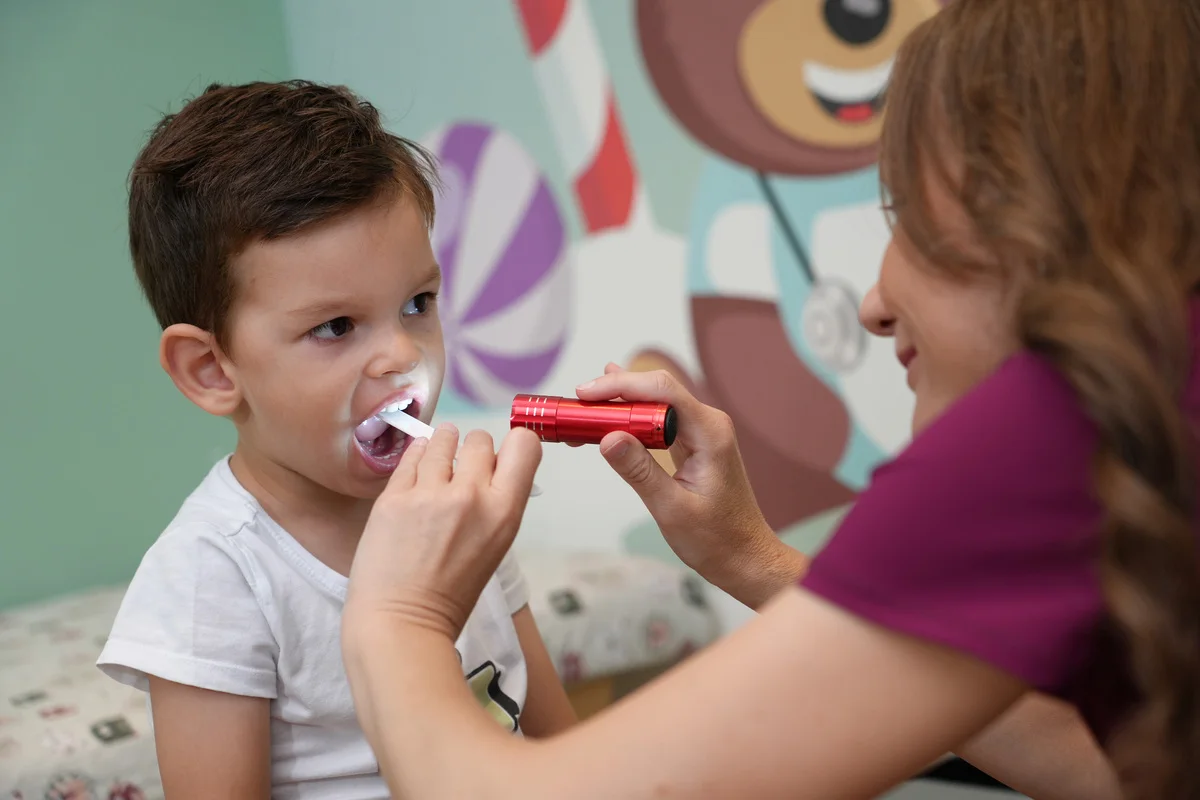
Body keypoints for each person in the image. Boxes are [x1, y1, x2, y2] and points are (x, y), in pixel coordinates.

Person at [337, 1, 1200, 798]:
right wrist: (750, 554)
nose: (873, 303)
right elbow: (1110, 766)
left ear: (1029, 215)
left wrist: (396, 615)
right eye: (334, 325)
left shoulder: (1039, 435)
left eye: (901, 219)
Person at [94, 81, 577, 799]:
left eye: (417, 304)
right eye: (335, 327)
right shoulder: (214, 576)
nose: (400, 358)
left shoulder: (455, 517)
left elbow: (562, 753)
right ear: (212, 369)